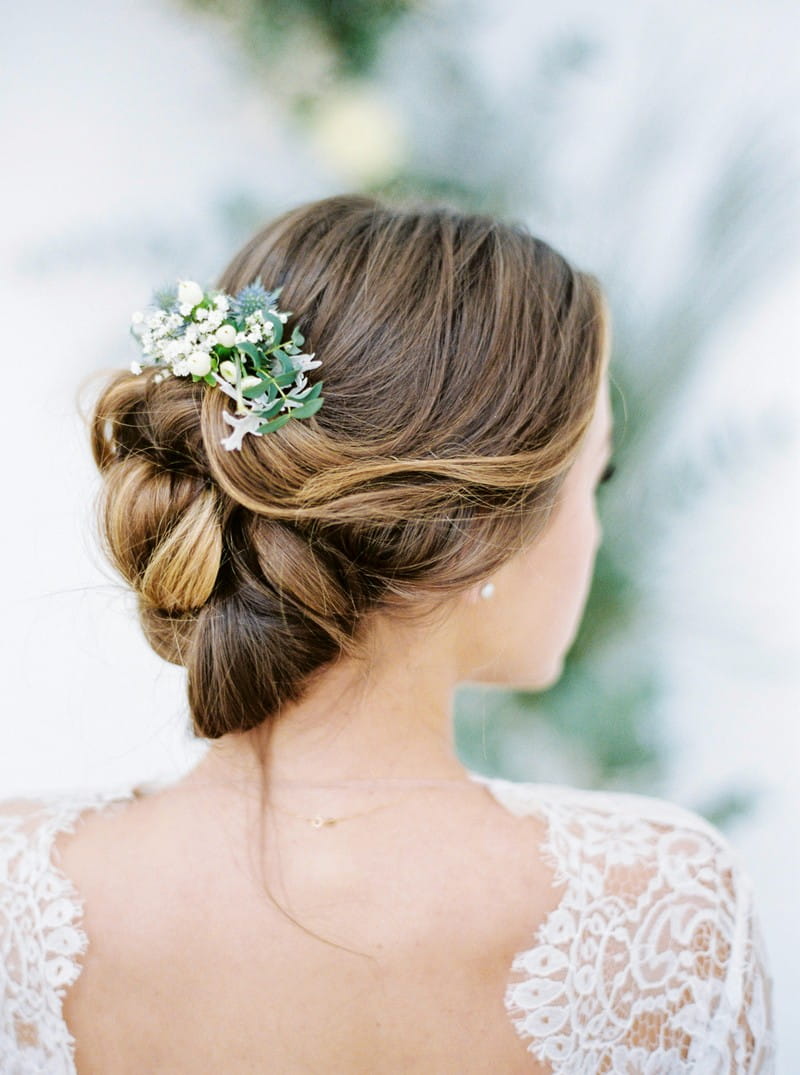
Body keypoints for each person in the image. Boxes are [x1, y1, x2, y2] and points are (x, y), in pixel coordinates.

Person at [0, 194, 774, 1073]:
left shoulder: (16, 895)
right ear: (477, 523)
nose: (591, 532)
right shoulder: (666, 907)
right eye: (592, 481)